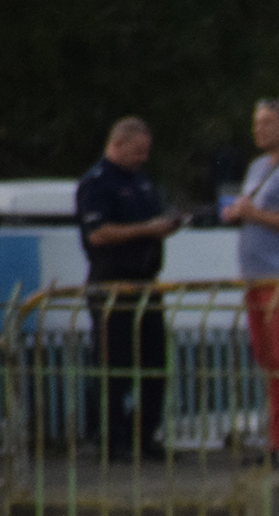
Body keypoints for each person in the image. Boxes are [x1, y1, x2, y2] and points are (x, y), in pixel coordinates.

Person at [75, 117, 181, 460]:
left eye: (146, 152)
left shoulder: (143, 182)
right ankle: (112, 439)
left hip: (146, 281)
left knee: (154, 363)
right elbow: (98, 233)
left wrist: (166, 225)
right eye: (138, 151)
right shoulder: (97, 183)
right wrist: (147, 229)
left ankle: (144, 435)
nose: (143, 158)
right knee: (114, 366)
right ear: (117, 144)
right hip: (112, 283)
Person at [220, 100, 279, 462]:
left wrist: (255, 215)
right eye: (256, 122)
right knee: (268, 360)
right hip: (256, 277)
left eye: (267, 123)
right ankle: (276, 440)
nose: (258, 129)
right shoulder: (257, 167)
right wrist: (239, 213)